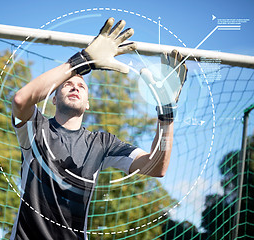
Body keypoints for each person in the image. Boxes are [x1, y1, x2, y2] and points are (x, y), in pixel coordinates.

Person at [10, 18, 187, 240]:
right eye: (67, 84)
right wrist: (80, 62)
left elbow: (156, 166)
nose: (75, 85)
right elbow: (20, 100)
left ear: (87, 103)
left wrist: (166, 116)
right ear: (53, 98)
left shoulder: (101, 143)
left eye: (82, 86)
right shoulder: (36, 129)